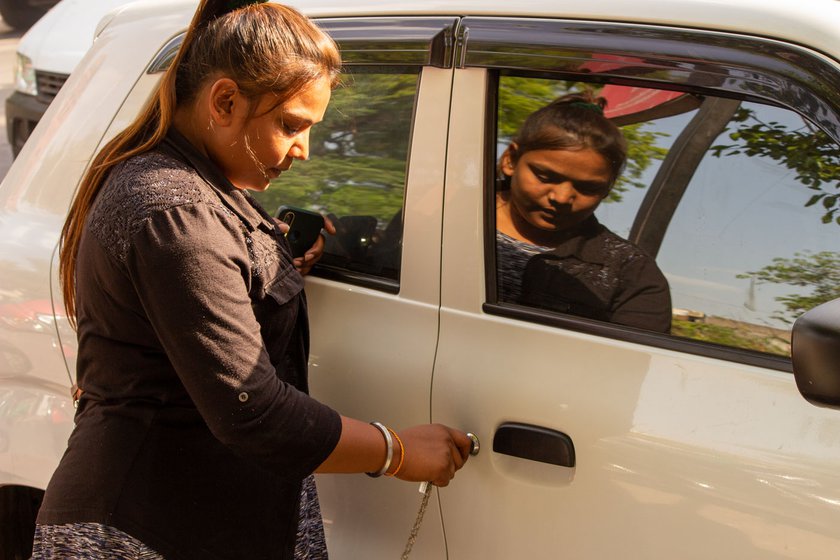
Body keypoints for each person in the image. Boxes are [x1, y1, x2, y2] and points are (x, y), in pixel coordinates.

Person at [33, 1, 472, 559]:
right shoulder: (173, 212)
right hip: (143, 530)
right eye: (291, 125)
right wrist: (397, 452)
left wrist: (274, 261)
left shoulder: (192, 190)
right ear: (224, 101)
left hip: (206, 518)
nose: (303, 151)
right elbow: (253, 411)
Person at [495, 92, 672, 333]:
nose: (562, 198)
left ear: (607, 190)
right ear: (511, 160)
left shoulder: (632, 273)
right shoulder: (441, 213)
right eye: (546, 177)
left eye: (587, 188)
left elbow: (630, 362)